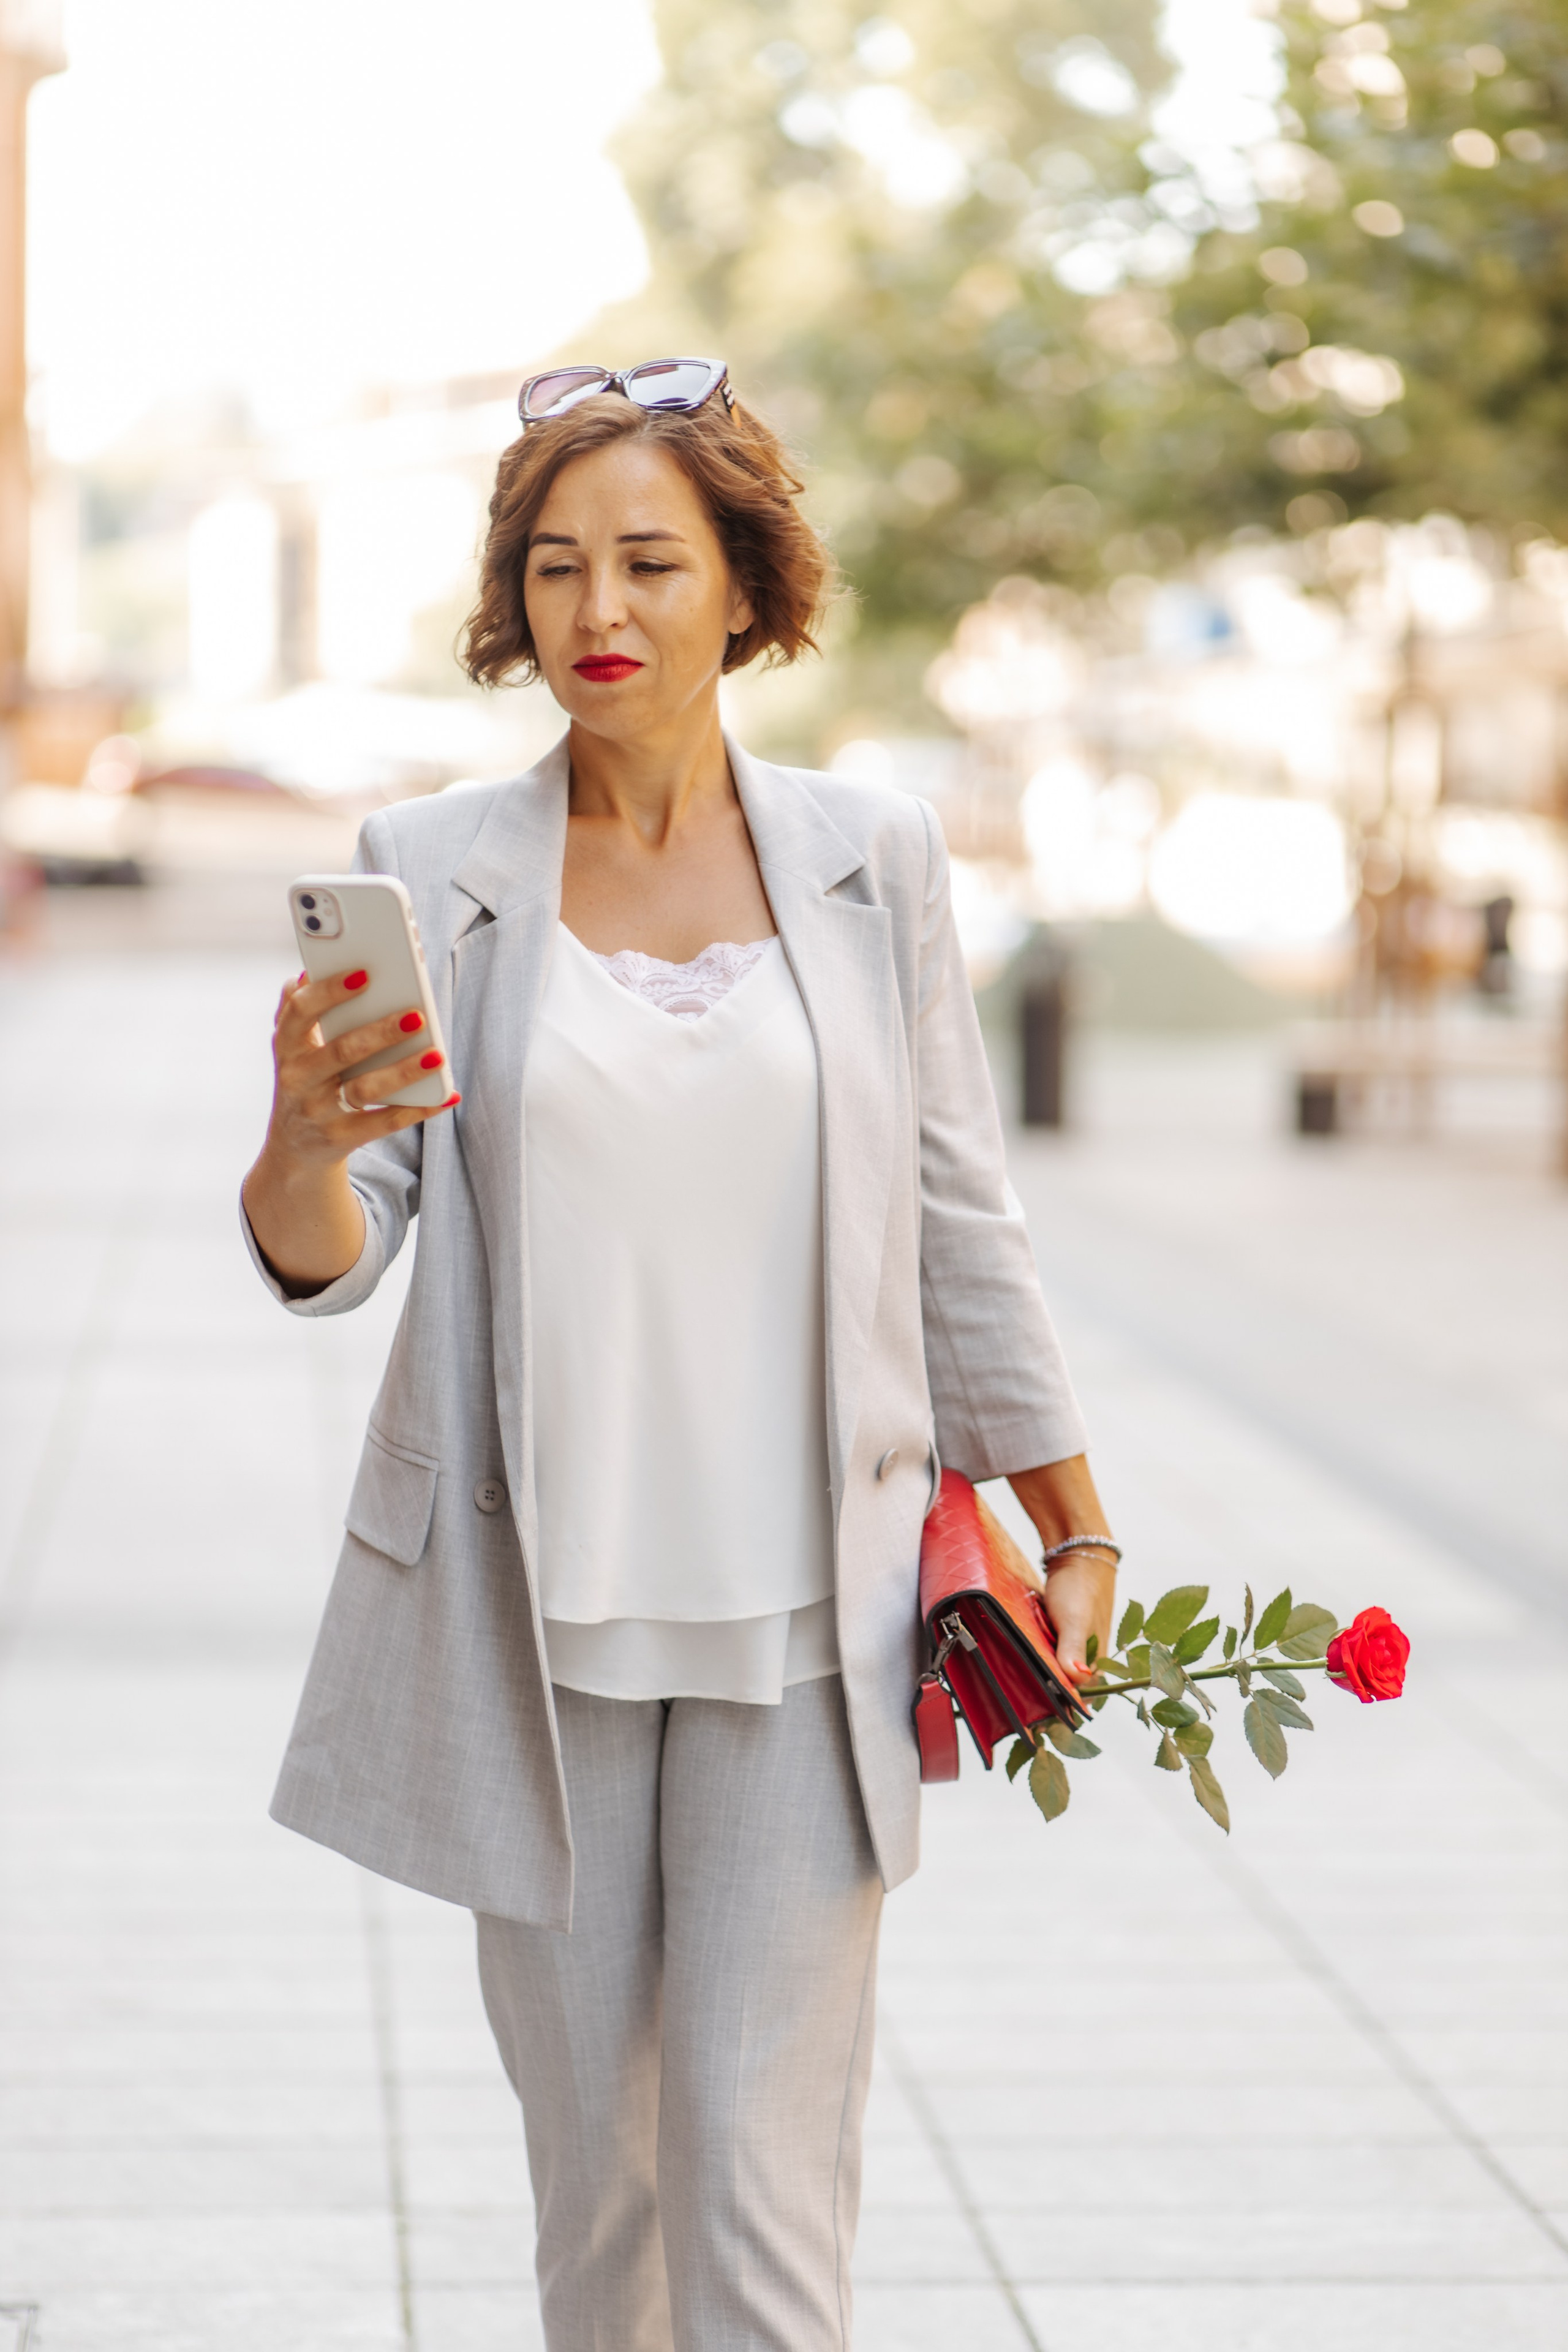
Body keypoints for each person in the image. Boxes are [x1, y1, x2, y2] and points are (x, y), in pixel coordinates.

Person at [240, 358, 1116, 2352]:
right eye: (555, 568)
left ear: (745, 585)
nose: (599, 613)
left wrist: (1076, 1521)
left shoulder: (867, 856)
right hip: (523, 1624)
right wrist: (300, 1140)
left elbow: (958, 1212)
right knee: (604, 2198)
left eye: (649, 560)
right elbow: (338, 1252)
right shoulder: (434, 864)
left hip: (816, 1623)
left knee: (759, 2191)